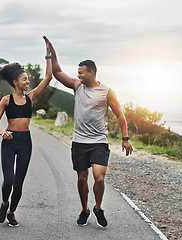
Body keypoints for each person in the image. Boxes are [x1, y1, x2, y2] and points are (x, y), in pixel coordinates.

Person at [43, 36, 133, 228]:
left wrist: (125, 138)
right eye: (78, 73)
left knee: (99, 177)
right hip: (79, 142)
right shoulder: (77, 86)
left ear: (92, 72)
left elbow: (120, 115)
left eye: (82, 73)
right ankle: (85, 210)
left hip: (99, 142)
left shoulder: (106, 92)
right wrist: (52, 55)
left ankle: (98, 208)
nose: (79, 76)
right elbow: (57, 72)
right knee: (82, 178)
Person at [0, 37, 52, 227]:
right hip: (9, 141)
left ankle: (11, 212)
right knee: (8, 180)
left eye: (28, 79)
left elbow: (48, 77)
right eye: (25, 79)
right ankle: (4, 202)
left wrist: (48, 55)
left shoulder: (31, 97)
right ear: (15, 81)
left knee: (18, 184)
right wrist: (2, 132)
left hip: (25, 142)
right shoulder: (6, 100)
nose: (28, 81)